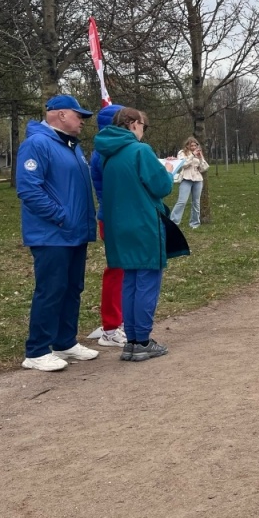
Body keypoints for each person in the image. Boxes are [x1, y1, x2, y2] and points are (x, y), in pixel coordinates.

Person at [17, 95, 100, 371]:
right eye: (79, 115)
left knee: (72, 288)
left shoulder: (71, 146)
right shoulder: (37, 144)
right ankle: (37, 350)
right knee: (51, 290)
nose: (83, 121)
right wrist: (60, 216)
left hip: (74, 232)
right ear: (61, 114)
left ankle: (65, 342)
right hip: (52, 234)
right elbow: (29, 189)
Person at [94, 107, 175, 362]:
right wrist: (168, 171)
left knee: (129, 282)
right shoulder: (141, 151)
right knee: (147, 281)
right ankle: (142, 340)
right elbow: (161, 186)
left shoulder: (107, 155)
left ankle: (131, 341)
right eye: (143, 125)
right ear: (132, 124)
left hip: (119, 225)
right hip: (143, 223)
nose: (143, 130)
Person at [87, 104, 127, 347]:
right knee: (117, 269)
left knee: (122, 269)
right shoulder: (106, 151)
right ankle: (111, 327)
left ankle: (115, 321)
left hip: (115, 215)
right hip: (114, 216)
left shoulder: (108, 149)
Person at [170, 137, 209, 229]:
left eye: (195, 145)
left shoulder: (198, 153)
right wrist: (192, 155)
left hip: (197, 179)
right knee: (182, 201)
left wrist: (200, 158)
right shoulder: (182, 153)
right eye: (191, 145)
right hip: (186, 178)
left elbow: (203, 168)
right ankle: (173, 222)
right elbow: (183, 164)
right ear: (187, 145)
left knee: (196, 202)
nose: (193, 147)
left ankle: (195, 223)